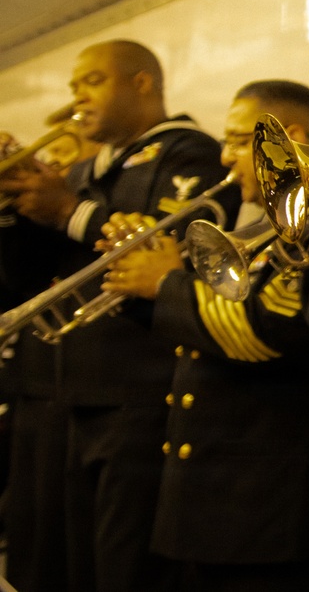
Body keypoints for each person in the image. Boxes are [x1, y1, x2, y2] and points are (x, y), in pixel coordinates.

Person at [99, 79, 309, 591]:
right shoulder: (263, 234)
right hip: (213, 510)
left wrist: (163, 283)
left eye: (233, 140)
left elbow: (259, 333)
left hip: (272, 515)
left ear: (285, 138)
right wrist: (131, 281)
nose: (223, 158)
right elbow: (199, 337)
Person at [0, 39, 239, 591]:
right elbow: (28, 282)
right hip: (72, 397)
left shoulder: (190, 153)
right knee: (72, 565)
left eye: (91, 80)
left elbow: (171, 246)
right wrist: (16, 210)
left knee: (125, 567)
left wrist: (66, 210)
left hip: (141, 394)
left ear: (142, 83)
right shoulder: (87, 169)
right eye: (74, 85)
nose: (76, 94)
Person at [0, 110, 102, 591]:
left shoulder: (92, 204)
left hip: (77, 391)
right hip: (34, 390)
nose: (51, 167)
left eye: (62, 158)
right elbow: (18, 281)